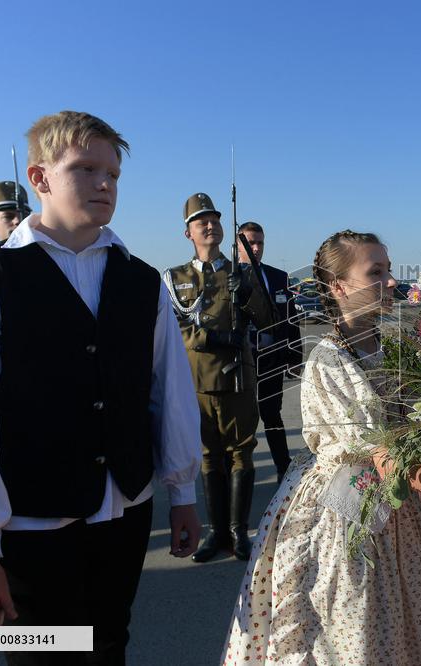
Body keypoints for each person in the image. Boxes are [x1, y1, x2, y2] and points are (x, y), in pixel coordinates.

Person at [0, 110, 202, 664]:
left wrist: (183, 494)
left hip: (124, 516)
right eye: (85, 168)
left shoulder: (141, 280)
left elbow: (166, 392)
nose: (105, 183)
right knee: (44, 658)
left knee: (109, 648)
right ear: (40, 178)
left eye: (114, 173)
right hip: (31, 529)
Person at [223, 230, 421, 665]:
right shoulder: (329, 359)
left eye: (389, 270)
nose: (391, 281)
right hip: (347, 520)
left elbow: (411, 436)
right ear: (338, 287)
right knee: (356, 635)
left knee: (411, 632)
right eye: (375, 272)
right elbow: (384, 455)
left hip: (398, 509)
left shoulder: (395, 349)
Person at [164, 195, 277, 562]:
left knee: (242, 454)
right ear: (188, 232)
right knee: (209, 457)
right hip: (197, 380)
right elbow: (174, 327)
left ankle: (238, 532)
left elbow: (266, 319)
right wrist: (212, 338)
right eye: (201, 222)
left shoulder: (242, 271)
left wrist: (248, 290)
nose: (210, 225)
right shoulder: (174, 277)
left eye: (214, 219)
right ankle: (215, 533)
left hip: (237, 378)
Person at [237, 220, 302, 479]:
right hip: (240, 362)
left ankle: (283, 469)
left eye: (259, 242)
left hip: (271, 359)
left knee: (272, 415)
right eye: (250, 242)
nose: (255, 248)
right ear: (238, 244)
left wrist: (295, 357)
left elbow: (291, 320)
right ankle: (240, 473)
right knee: (242, 420)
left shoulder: (278, 277)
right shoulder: (228, 277)